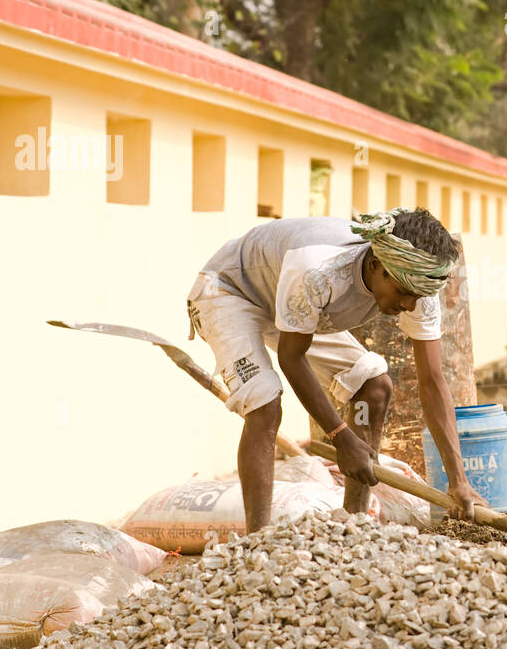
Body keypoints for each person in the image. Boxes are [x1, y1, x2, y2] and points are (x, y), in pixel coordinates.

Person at [186, 208, 486, 531]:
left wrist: (458, 480)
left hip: (291, 305)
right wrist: (340, 438)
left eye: (417, 297)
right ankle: (257, 540)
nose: (409, 306)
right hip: (230, 290)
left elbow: (432, 381)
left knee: (374, 387)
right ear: (375, 265)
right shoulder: (319, 271)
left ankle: (353, 524)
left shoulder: (416, 284)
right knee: (264, 405)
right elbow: (291, 357)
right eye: (403, 294)